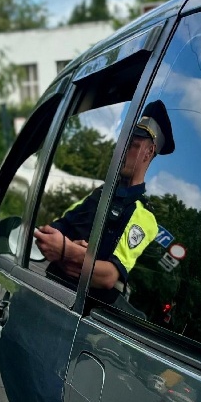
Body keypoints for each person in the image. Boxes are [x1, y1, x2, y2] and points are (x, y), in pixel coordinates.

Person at [32, 100, 174, 296]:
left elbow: (109, 276)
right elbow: (58, 227)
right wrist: (80, 254)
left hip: (82, 313)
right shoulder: (101, 193)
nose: (122, 150)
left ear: (149, 152)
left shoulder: (144, 216)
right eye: (124, 142)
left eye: (132, 144)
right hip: (49, 291)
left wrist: (67, 251)